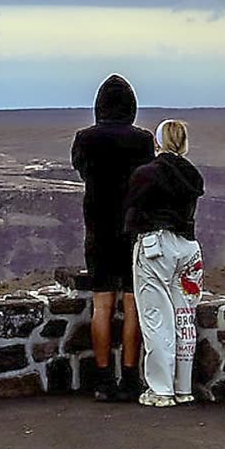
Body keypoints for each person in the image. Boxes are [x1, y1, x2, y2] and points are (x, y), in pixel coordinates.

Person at [72, 75, 155, 402]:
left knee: (102, 305)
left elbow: (81, 169)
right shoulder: (143, 141)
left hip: (98, 230)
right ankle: (131, 378)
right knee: (133, 304)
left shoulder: (85, 139)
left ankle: (104, 378)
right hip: (133, 230)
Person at [125, 119, 205, 407]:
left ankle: (161, 390)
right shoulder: (192, 175)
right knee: (184, 318)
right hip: (188, 247)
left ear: (158, 142)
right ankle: (183, 388)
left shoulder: (147, 174)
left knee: (157, 318)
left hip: (156, 247)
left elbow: (132, 206)